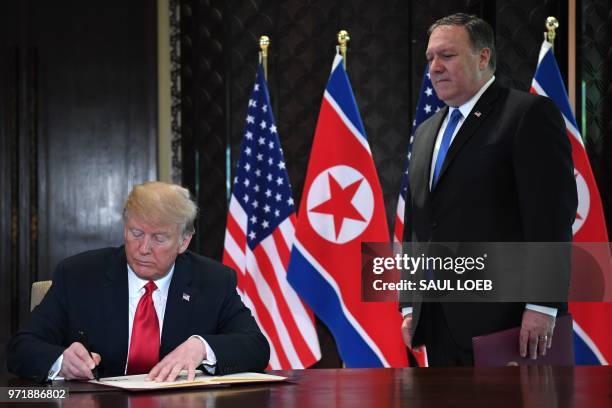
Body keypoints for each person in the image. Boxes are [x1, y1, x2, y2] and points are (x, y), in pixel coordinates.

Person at [400, 14, 577, 366]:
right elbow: (420, 225)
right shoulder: (426, 131)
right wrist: (410, 304)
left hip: (506, 323)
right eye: (430, 58)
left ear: (483, 57)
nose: (434, 67)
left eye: (446, 56)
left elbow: (550, 217)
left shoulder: (527, 115)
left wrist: (543, 304)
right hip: (437, 321)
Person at [8, 181, 270, 382]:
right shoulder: (78, 274)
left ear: (183, 241)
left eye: (158, 238)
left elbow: (256, 348)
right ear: (125, 228)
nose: (143, 248)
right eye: (136, 233)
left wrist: (201, 347)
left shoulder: (213, 281)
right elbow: (21, 348)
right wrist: (61, 361)